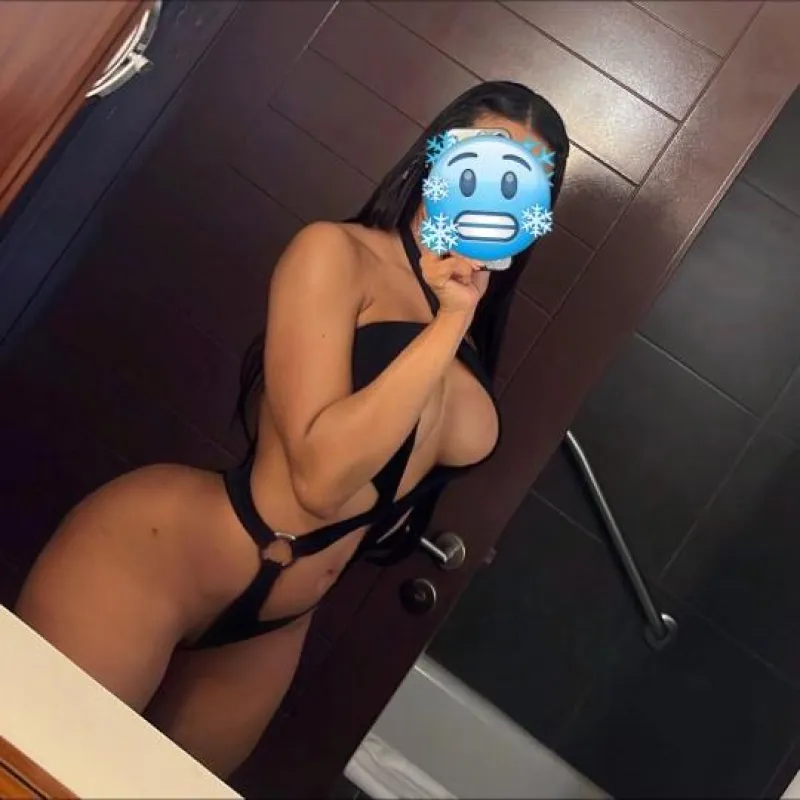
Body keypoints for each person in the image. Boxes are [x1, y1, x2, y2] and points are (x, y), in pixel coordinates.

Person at [15, 80, 568, 778]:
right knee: (32, 775)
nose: (491, 193)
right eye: (480, 161)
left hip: (275, 625)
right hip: (161, 554)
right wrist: (449, 322)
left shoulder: (472, 330)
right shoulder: (338, 254)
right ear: (437, 160)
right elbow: (319, 480)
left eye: (520, 183)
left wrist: (459, 316)